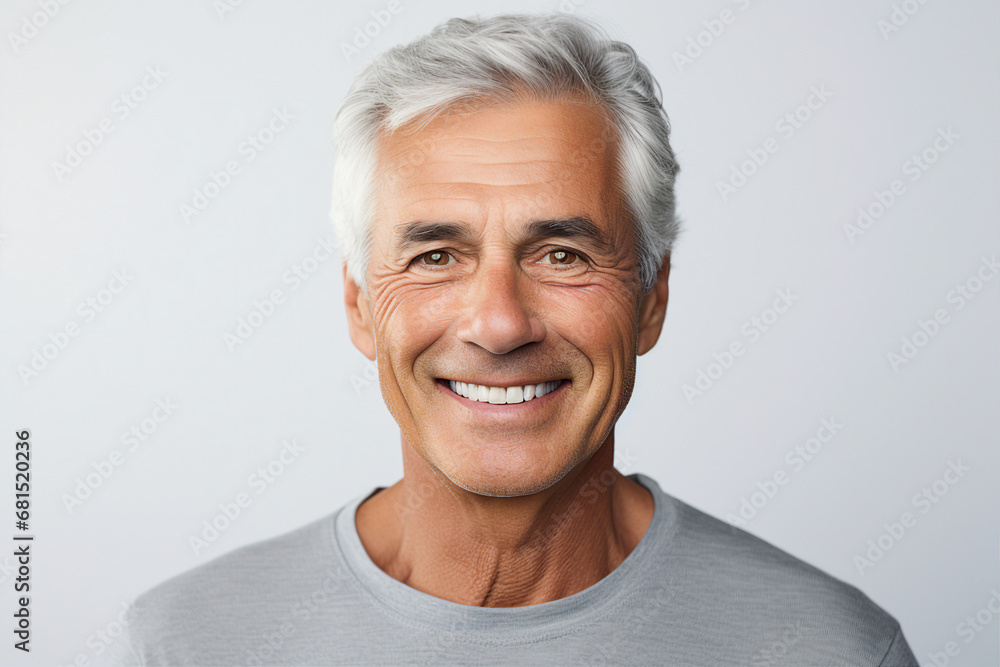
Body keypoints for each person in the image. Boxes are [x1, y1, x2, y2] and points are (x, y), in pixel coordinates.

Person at [106, 13, 917, 666]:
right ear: (359, 305)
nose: (498, 323)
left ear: (651, 299)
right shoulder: (181, 645)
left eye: (562, 254)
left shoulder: (833, 649)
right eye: (436, 255)